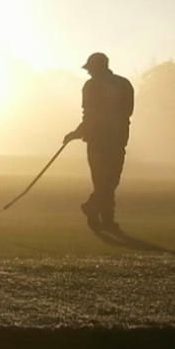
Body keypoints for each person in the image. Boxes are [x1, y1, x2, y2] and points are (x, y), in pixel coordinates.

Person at [63, 53, 134, 231]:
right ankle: (105, 220)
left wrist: (77, 133)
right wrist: (78, 132)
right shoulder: (124, 84)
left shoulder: (92, 85)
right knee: (109, 181)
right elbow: (127, 112)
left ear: (97, 67)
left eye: (90, 69)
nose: (88, 73)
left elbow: (90, 115)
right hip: (117, 139)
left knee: (104, 181)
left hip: (99, 140)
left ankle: (93, 209)